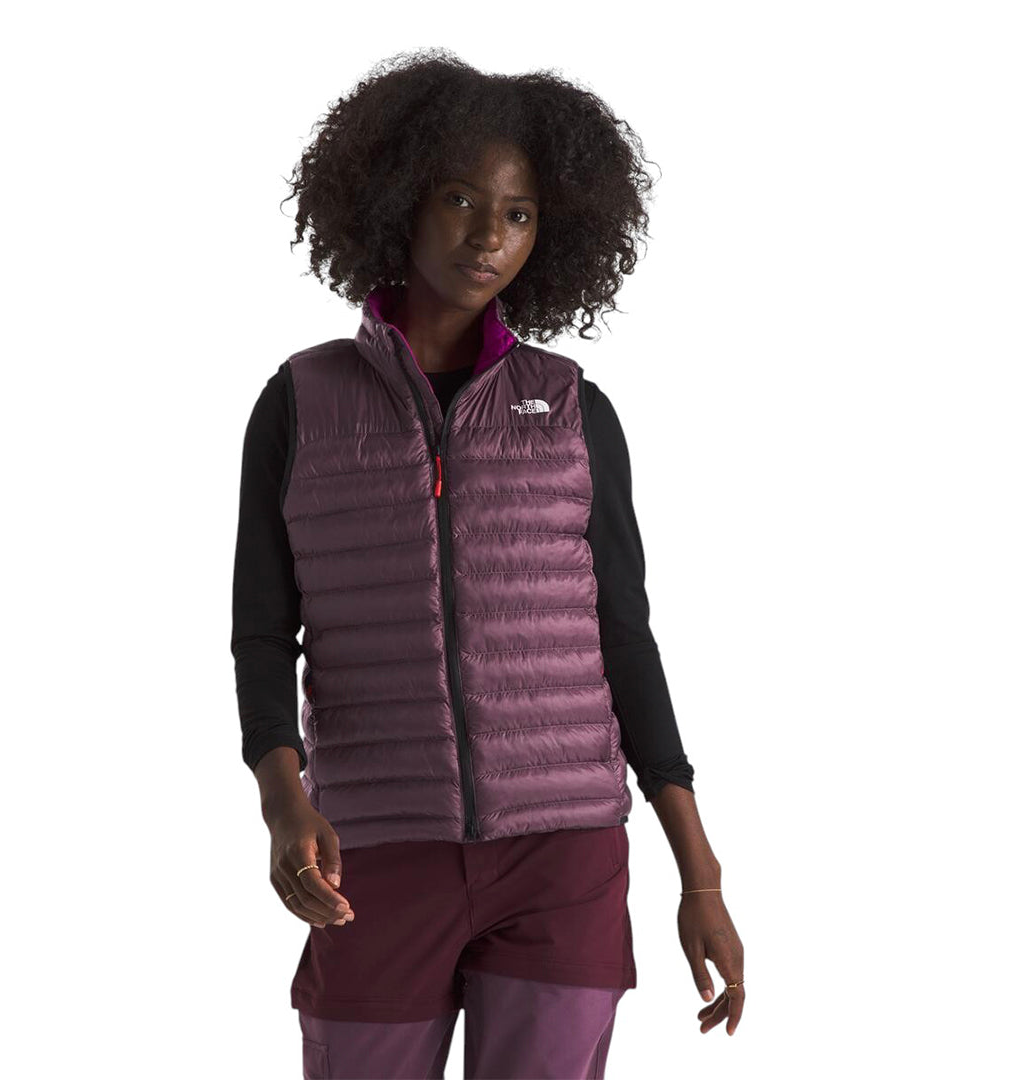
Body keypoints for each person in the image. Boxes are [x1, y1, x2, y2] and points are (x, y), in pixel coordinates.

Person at [231, 48, 745, 1079]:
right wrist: (284, 803)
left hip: (564, 858)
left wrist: (699, 873)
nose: (488, 236)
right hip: (373, 852)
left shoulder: (574, 410)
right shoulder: (301, 403)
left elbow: (624, 639)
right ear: (397, 197)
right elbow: (262, 632)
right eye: (461, 199)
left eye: (518, 214)